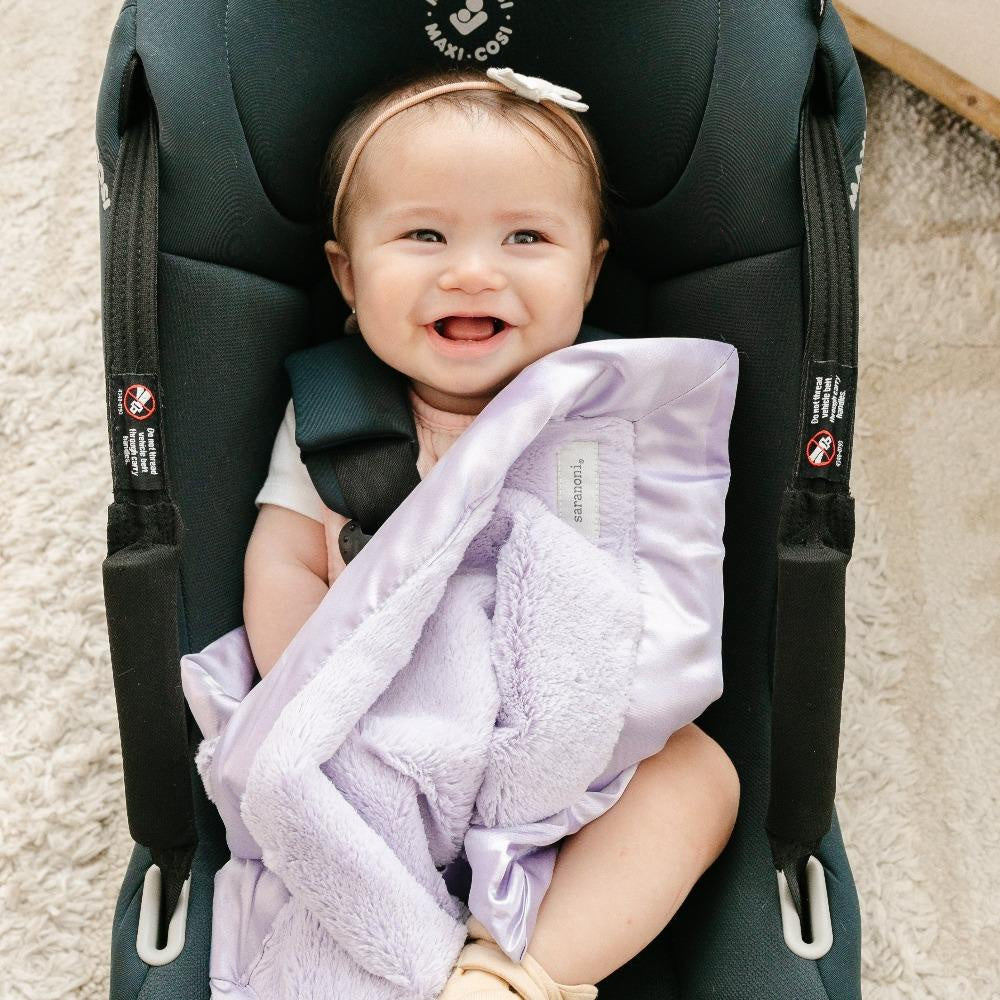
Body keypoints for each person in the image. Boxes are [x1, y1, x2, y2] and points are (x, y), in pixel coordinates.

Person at [242, 65, 740, 1000]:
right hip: (387, 737)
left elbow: (654, 569)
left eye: (527, 237)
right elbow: (283, 556)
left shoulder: (612, 416)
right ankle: (399, 938)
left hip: (569, 739)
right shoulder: (340, 418)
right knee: (292, 800)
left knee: (700, 778)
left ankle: (519, 973)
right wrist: (316, 691)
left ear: (590, 269)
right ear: (347, 274)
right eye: (424, 235)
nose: (473, 270)